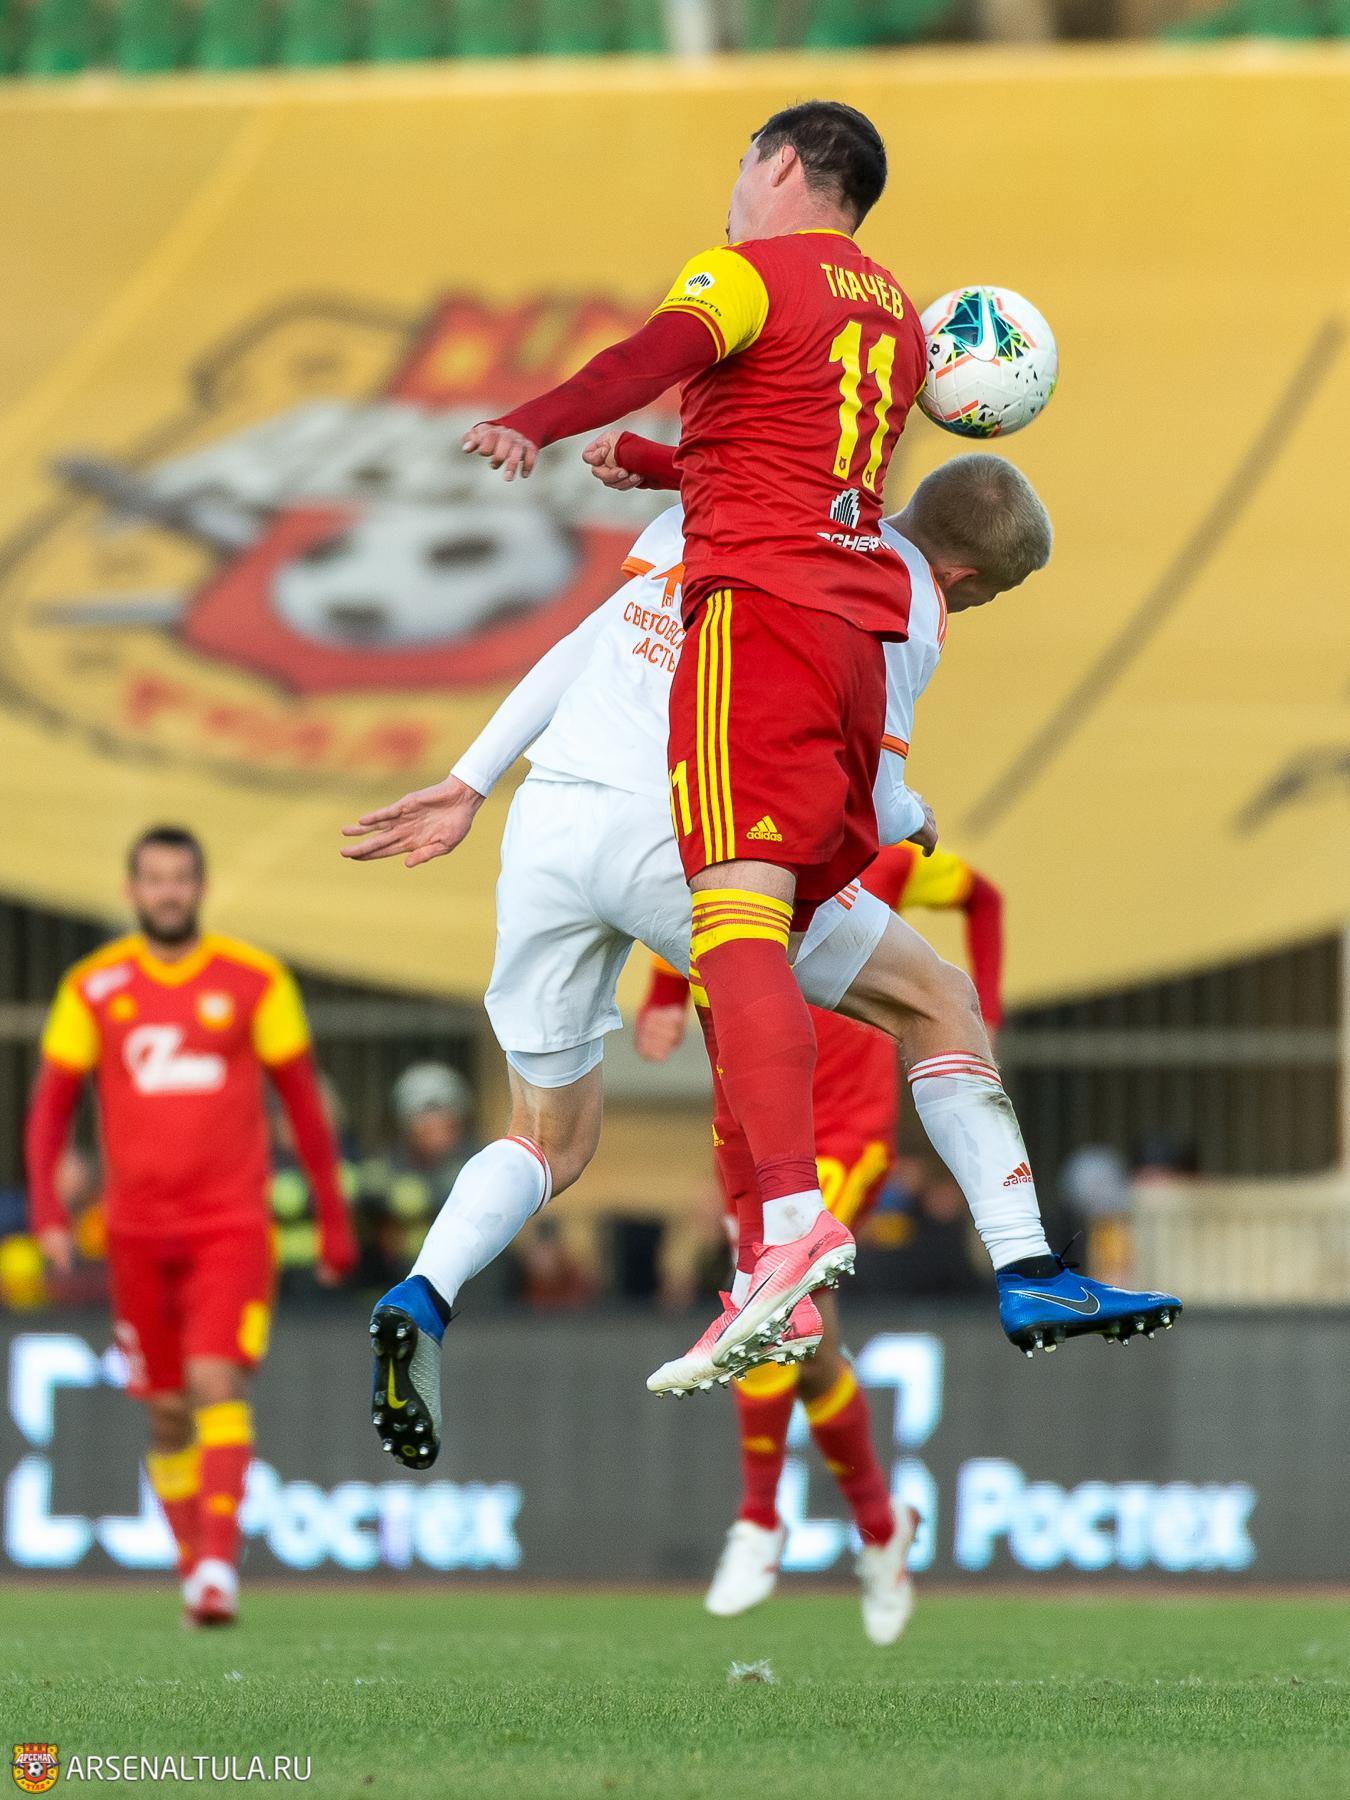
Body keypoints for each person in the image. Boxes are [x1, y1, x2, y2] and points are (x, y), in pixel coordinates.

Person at [343, 458, 1180, 1470]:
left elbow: (584, 643)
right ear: (966, 578)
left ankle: (424, 1294)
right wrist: (914, 817)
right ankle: (1022, 1263)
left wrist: (469, 781)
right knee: (937, 999)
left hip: (549, 827)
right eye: (984, 596)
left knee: (548, 1138)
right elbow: (870, 791)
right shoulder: (897, 587)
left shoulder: (710, 502)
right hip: (684, 827)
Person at [459, 101, 930, 1380]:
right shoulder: (894, 312)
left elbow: (648, 349)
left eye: (742, 164)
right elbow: (810, 475)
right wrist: (662, 465)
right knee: (783, 932)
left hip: (756, 627)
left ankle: (788, 1226)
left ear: (780, 162)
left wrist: (538, 421)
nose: (732, 190)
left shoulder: (746, 273)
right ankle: (797, 1255)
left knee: (734, 924)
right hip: (850, 644)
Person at [632, 841, 1001, 1637]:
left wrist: (982, 1016)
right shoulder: (713, 859)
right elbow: (674, 925)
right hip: (753, 1132)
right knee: (811, 1348)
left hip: (843, 1136)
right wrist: (663, 995)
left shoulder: (883, 856)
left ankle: (760, 1520)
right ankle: (881, 1527)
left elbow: (985, 898)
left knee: (767, 1308)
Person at [24, 826, 356, 1627]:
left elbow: (304, 1106)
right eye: (155, 879)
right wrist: (48, 1211)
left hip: (229, 1225)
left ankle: (217, 1569)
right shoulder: (92, 987)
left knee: (215, 1381)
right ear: (133, 891)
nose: (168, 892)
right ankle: (190, 1566)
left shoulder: (254, 980)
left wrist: (332, 1217)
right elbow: (50, 1110)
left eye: (181, 878)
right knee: (167, 1410)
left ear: (200, 888)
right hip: (133, 1233)